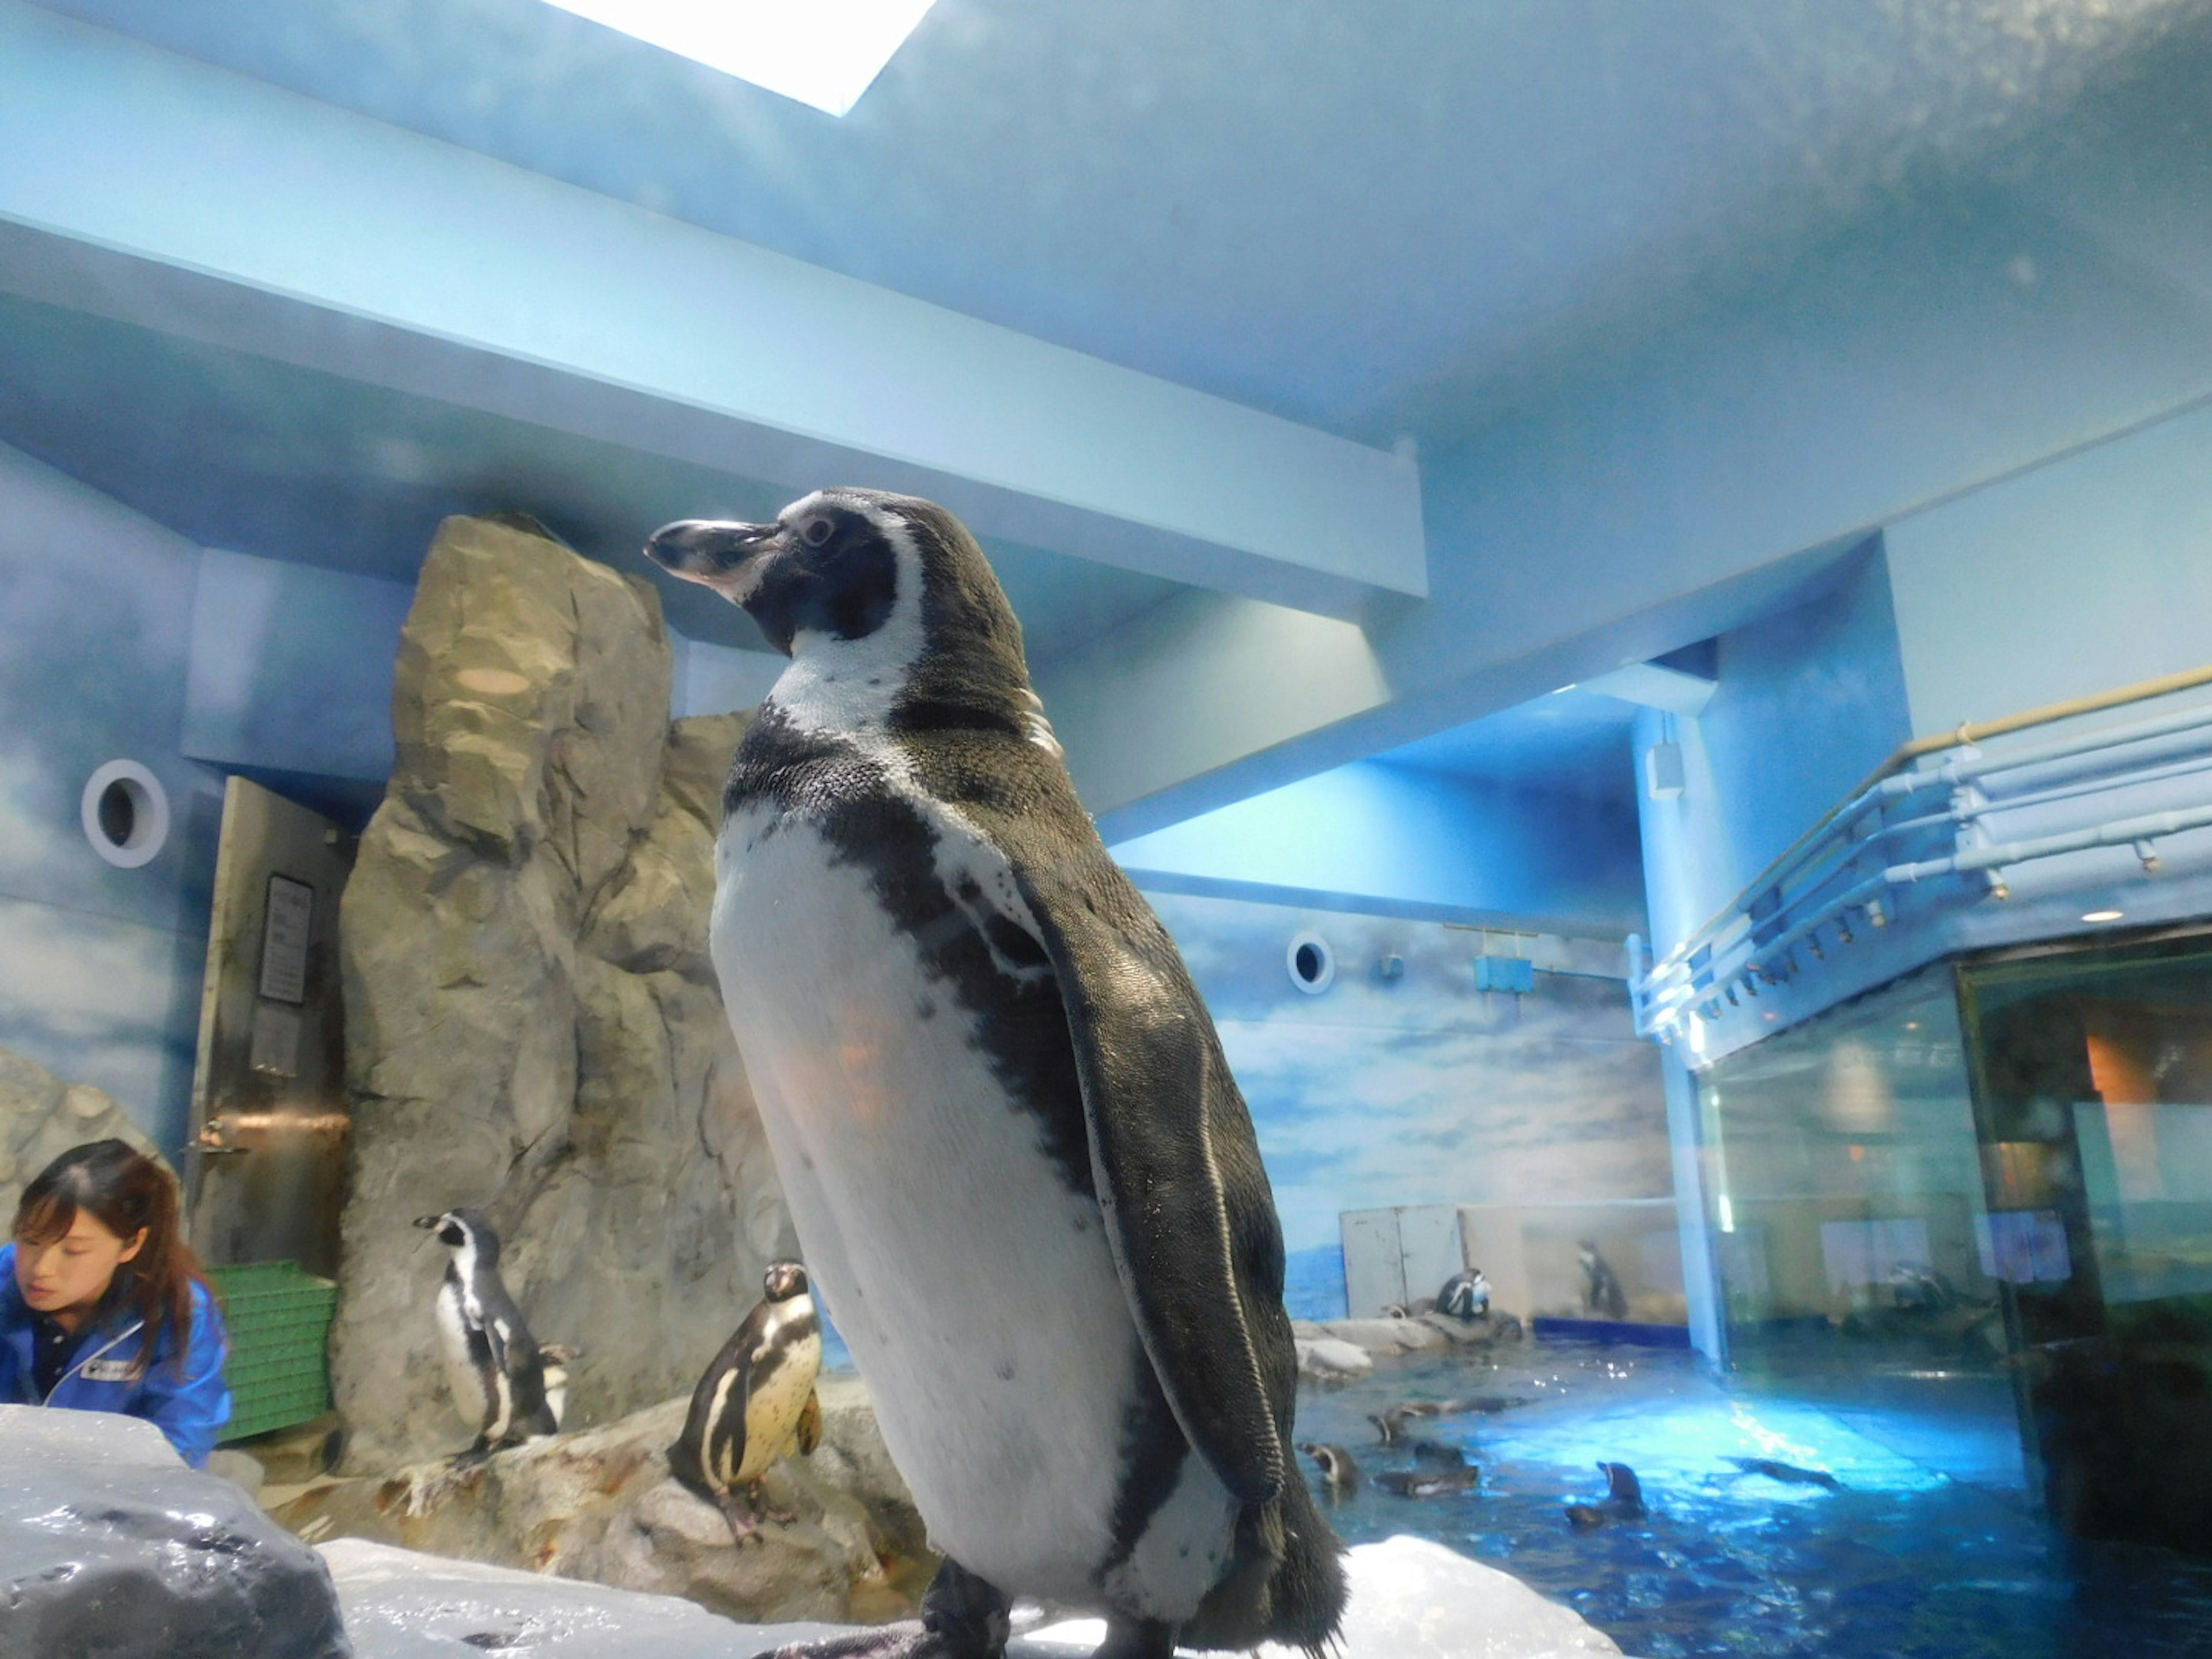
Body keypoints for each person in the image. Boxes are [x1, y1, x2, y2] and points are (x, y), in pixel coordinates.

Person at [1, 1139, 230, 1466]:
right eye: (30, 1240)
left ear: (131, 1244)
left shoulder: (178, 1313)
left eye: (73, 1250)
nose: (40, 1269)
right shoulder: (3, 1283)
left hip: (117, 1495)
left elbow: (182, 1440)